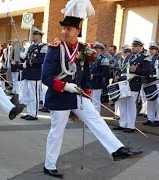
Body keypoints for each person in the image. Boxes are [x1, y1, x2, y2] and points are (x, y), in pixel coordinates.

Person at [42, 0, 142, 178]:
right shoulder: (54, 49)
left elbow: (86, 75)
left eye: (69, 29)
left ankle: (117, 149)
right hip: (60, 97)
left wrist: (87, 93)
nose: (65, 31)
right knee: (56, 132)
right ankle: (49, 165)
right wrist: (65, 85)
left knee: (96, 119)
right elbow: (46, 77)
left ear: (77, 31)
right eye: (63, 28)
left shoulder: (83, 49)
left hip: (78, 95)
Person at [112, 37, 151, 133]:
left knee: (130, 105)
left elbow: (148, 71)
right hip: (124, 83)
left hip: (134, 84)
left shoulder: (144, 58)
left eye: (136, 46)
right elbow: (123, 69)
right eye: (133, 45)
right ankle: (123, 123)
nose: (133, 48)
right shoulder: (129, 57)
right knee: (122, 104)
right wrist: (118, 77)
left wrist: (136, 70)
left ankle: (130, 125)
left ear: (141, 47)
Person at [20, 27, 48, 120]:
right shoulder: (32, 46)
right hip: (28, 73)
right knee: (28, 94)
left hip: (35, 73)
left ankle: (34, 114)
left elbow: (41, 60)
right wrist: (22, 57)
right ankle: (29, 112)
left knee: (34, 94)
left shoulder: (43, 46)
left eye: (35, 34)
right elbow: (27, 57)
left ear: (40, 36)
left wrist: (28, 62)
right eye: (33, 34)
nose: (33, 36)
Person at [142, 41, 159, 126]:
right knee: (149, 100)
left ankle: (157, 119)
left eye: (153, 49)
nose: (151, 50)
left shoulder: (158, 58)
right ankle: (150, 118)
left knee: (157, 101)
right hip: (149, 82)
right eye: (151, 49)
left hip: (157, 81)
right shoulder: (147, 58)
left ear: (156, 50)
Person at [91, 41, 110, 113]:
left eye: (98, 48)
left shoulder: (104, 59)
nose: (95, 49)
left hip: (97, 83)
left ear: (101, 50)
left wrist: (94, 76)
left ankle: (96, 117)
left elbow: (106, 73)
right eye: (94, 48)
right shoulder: (91, 58)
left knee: (95, 102)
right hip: (90, 83)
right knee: (90, 101)